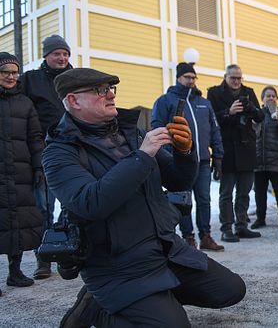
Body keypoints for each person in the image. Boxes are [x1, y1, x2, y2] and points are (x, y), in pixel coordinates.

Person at [43, 67, 245, 327]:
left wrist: (185, 152)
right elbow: (91, 203)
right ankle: (97, 311)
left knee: (231, 289)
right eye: (99, 91)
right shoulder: (59, 152)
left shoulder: (130, 134)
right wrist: (142, 155)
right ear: (73, 101)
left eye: (111, 89)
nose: (110, 95)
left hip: (164, 247)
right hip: (117, 264)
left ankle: (154, 302)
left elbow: (178, 180)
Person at [152, 62, 225, 251]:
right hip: (179, 161)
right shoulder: (166, 101)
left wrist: (217, 155)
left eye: (193, 77)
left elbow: (215, 130)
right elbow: (157, 128)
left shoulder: (204, 103)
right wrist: (166, 155)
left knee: (204, 199)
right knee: (183, 200)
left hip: (201, 161)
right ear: (178, 78)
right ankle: (188, 237)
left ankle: (206, 236)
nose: (191, 81)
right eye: (187, 77)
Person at [20, 34, 73, 279]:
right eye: (56, 54)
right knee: (44, 209)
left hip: (75, 151)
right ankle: (44, 259)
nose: (62, 58)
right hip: (45, 153)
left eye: (65, 54)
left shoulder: (76, 79)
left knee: (73, 206)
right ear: (46, 56)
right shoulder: (31, 80)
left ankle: (68, 254)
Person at [0, 53, 44, 295]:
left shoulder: (25, 103)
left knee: (17, 220)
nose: (11, 76)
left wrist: (39, 166)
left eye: (14, 72)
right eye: (5, 71)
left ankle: (14, 271)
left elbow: (35, 137)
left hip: (20, 170)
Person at [206, 65, 263, 242]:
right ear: (225, 77)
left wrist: (252, 109)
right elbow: (211, 118)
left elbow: (260, 117)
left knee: (244, 192)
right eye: (233, 78)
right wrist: (228, 112)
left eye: (239, 78)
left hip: (246, 148)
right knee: (226, 193)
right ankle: (226, 228)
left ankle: (241, 226)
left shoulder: (249, 92)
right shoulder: (214, 93)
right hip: (226, 149)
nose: (236, 81)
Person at [251, 86, 278, 229]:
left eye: (273, 96)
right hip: (259, 160)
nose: (270, 98)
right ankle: (260, 218)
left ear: (276, 99)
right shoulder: (257, 115)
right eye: (267, 96)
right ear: (262, 99)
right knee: (260, 192)